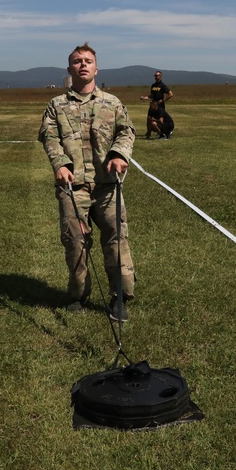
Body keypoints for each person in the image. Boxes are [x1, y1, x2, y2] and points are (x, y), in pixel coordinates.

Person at [38, 43, 136, 321]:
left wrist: (119, 154)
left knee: (117, 240)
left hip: (107, 186)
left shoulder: (112, 103)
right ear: (69, 69)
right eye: (77, 61)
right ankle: (78, 295)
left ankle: (120, 297)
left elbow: (127, 131)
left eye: (88, 60)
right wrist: (60, 164)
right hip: (73, 188)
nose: (83, 64)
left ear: (96, 68)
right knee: (75, 243)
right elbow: (50, 138)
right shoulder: (56, 105)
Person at [140, 70, 174, 139]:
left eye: (158, 75)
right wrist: (144, 98)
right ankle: (148, 133)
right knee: (148, 119)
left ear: (161, 76)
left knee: (159, 120)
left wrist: (163, 100)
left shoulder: (162, 85)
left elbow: (170, 94)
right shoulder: (153, 85)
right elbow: (151, 96)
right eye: (155, 76)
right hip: (152, 105)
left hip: (159, 106)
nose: (156, 77)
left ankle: (164, 132)